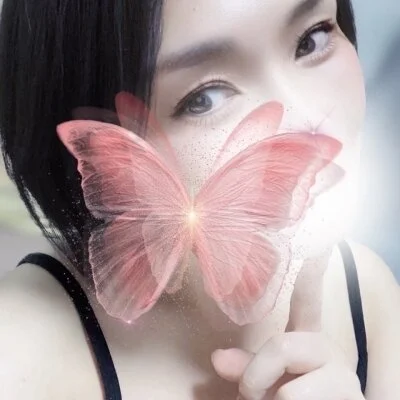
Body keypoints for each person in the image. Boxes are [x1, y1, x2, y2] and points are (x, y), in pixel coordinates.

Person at [0, 0, 399, 399]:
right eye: (204, 99)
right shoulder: (19, 356)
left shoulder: (367, 293)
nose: (312, 125)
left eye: (312, 40)